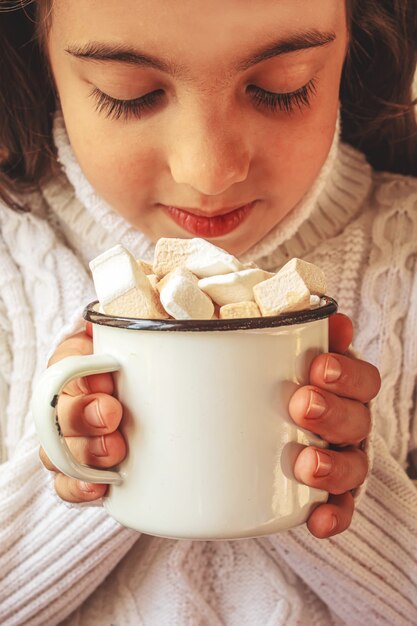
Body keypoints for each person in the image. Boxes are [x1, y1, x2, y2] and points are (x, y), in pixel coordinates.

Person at [0, 0, 416, 624]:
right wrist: (86, 463)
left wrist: (336, 481)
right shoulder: (14, 255)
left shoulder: (403, 255)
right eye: (129, 95)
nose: (210, 173)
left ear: (360, 41)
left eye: (283, 88)